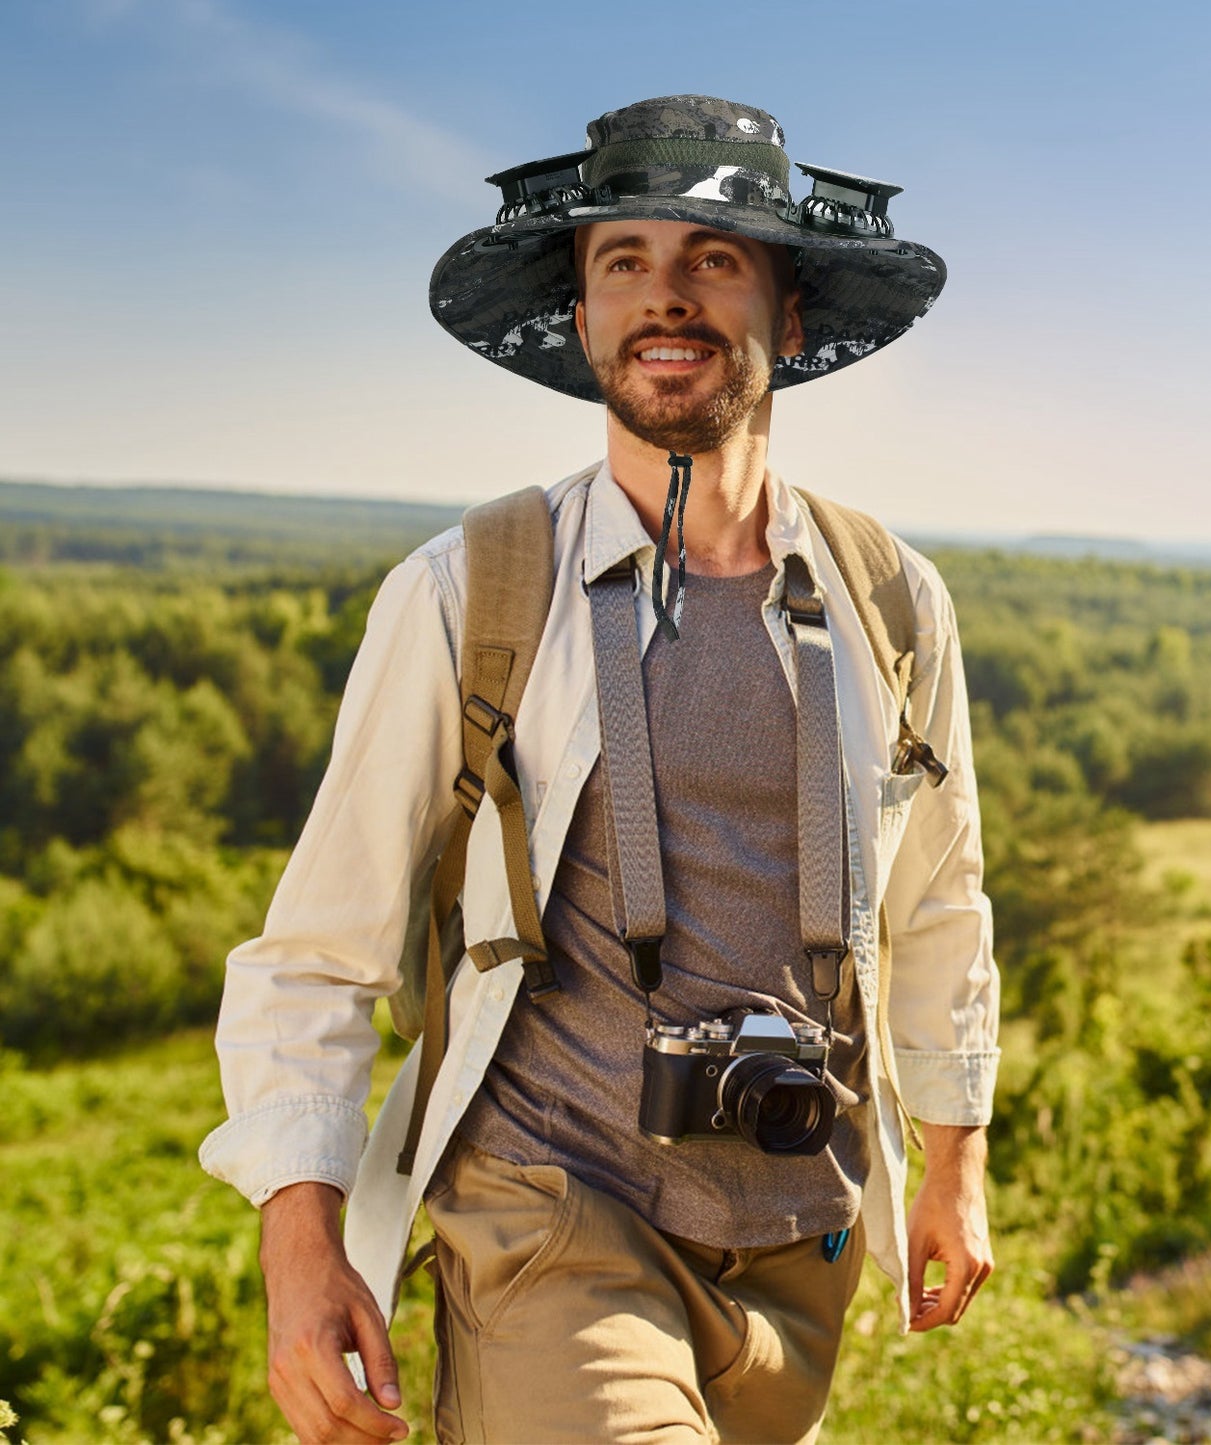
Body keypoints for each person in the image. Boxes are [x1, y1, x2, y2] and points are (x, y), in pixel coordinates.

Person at [201, 93, 1000, 1444]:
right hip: (549, 1208)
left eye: (713, 257)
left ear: (788, 314)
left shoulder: (888, 597)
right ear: (580, 321)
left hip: (801, 1238)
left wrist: (952, 1160)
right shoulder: (474, 588)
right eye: (621, 261)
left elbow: (938, 899)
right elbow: (316, 948)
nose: (663, 296)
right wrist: (301, 1238)